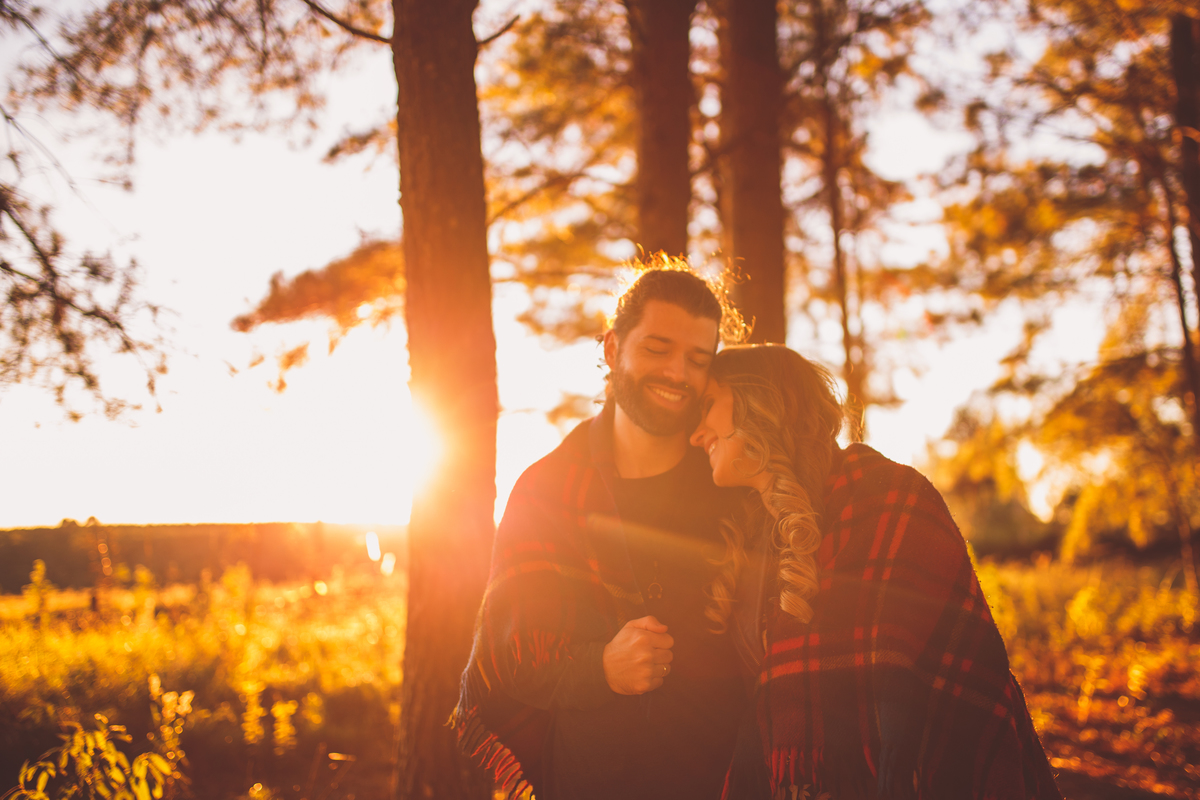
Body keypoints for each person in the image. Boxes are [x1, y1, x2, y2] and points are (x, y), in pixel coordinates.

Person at [689, 344, 1063, 800]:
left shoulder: (891, 499)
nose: (696, 432)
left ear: (759, 402)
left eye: (708, 405)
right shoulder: (744, 537)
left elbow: (954, 680)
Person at [453, 262, 749, 800]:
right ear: (612, 349)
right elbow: (513, 652)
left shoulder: (731, 483)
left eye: (697, 359)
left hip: (726, 780)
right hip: (592, 781)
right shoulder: (547, 489)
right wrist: (601, 667)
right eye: (658, 349)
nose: (678, 374)